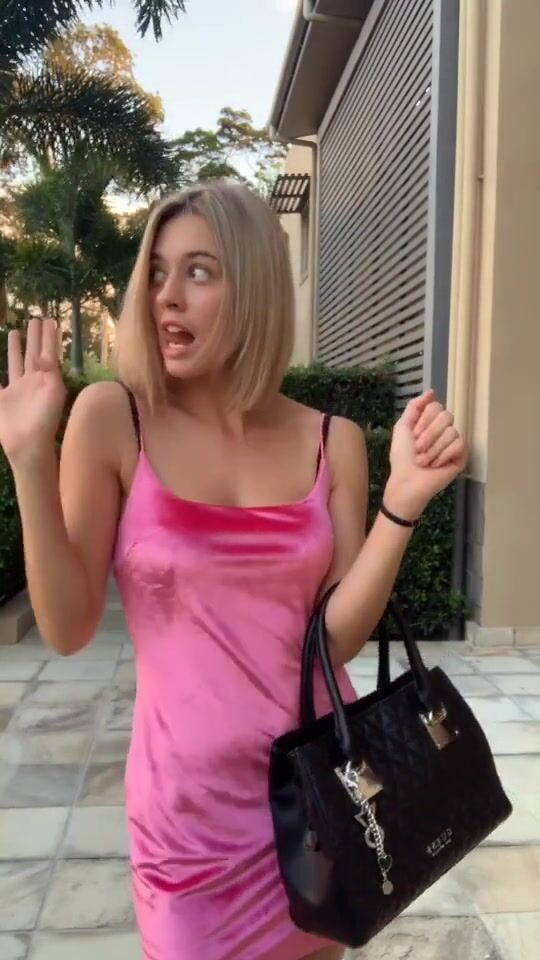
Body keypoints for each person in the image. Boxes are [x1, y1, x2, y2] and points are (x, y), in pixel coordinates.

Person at [0, 181, 467, 960]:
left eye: (199, 272)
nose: (166, 296)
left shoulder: (333, 440)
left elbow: (336, 640)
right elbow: (68, 626)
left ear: (254, 286)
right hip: (188, 824)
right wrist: (26, 458)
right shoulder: (114, 417)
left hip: (323, 799)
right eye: (156, 272)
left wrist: (403, 505)